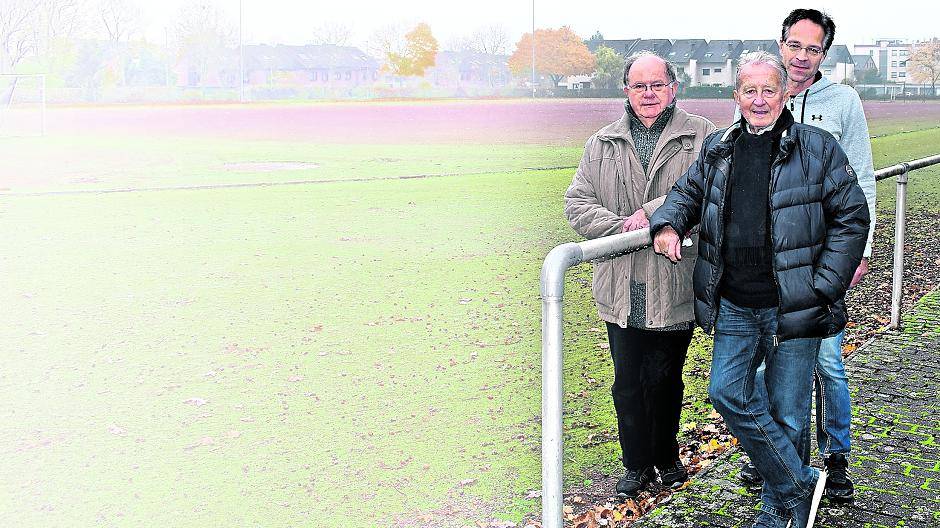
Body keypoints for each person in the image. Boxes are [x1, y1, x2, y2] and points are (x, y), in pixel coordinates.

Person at [649, 52, 869, 528]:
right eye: (749, 91)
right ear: (736, 96)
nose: (759, 100)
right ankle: (800, 481)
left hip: (794, 303)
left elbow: (852, 217)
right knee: (726, 392)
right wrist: (666, 223)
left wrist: (823, 285)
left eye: (769, 90)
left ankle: (779, 510)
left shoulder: (817, 148)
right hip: (735, 301)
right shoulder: (719, 148)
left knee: (789, 413)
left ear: (785, 93)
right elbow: (686, 193)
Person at [738, 9, 877, 503]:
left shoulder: (843, 102)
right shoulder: (759, 91)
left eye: (812, 49)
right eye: (794, 45)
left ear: (824, 54)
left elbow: (860, 178)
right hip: (766, 268)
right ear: (781, 44)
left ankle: (835, 456)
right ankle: (773, 456)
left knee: (829, 364)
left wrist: (857, 253)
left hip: (822, 262)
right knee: (762, 368)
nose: (801, 57)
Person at [564, 51, 715, 498]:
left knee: (665, 378)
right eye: (638, 85)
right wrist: (625, 231)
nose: (648, 94)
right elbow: (577, 203)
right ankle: (635, 465)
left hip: (673, 281)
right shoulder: (601, 143)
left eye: (657, 84)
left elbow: (708, 196)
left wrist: (649, 215)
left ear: (674, 87)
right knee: (627, 381)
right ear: (625, 90)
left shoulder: (703, 136)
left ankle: (666, 458)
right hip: (619, 283)